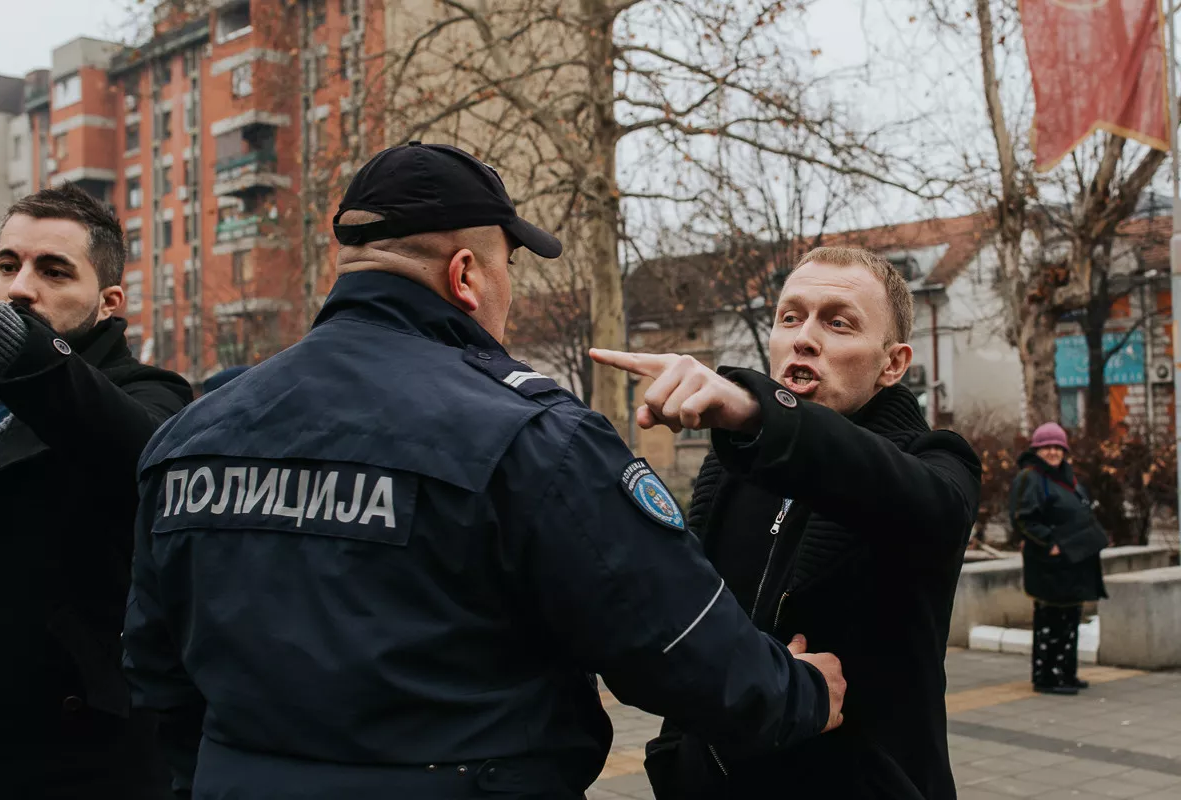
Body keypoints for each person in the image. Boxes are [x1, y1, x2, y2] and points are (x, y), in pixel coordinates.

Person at [122, 142, 846, 800]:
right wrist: (800, 693)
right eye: (508, 271)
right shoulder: (533, 437)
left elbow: (158, 675)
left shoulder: (196, 431)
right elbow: (678, 648)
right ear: (466, 275)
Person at [592, 245, 982, 800]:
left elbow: (923, 505)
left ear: (892, 363)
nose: (804, 337)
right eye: (790, 317)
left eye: (839, 323)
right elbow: (683, 616)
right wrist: (682, 756)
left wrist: (756, 410)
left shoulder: (938, 463)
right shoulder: (729, 473)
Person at [0, 183, 191, 797]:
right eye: (7, 265)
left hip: (79, 755)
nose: (20, 287)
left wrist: (5, 338)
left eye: (52, 270)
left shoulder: (153, 393)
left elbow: (123, 441)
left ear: (108, 301)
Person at [1010, 422, 1107, 695]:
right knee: (1051, 621)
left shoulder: (1066, 476)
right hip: (1050, 564)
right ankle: (1047, 677)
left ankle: (1067, 673)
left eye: (1057, 447)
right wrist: (1050, 544)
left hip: (1074, 561)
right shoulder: (1030, 477)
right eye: (1046, 447)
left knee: (1070, 618)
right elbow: (1022, 518)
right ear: (1036, 450)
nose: (1052, 452)